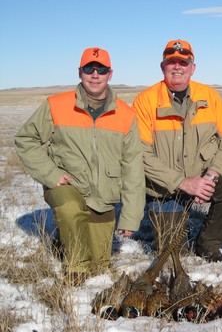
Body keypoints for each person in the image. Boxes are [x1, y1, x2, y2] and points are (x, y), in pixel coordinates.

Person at [15, 47, 145, 285]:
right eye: (89, 69)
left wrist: (130, 216)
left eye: (101, 69)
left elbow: (133, 167)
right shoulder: (56, 105)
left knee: (99, 265)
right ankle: (75, 269)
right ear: (80, 72)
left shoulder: (126, 115)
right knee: (72, 210)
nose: (95, 74)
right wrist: (51, 173)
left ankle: (61, 240)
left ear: (110, 74)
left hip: (103, 195)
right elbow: (26, 140)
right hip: (67, 184)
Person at [132, 39, 222, 263]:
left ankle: (208, 244)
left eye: (183, 62)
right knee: (171, 253)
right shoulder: (145, 101)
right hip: (165, 186)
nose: (177, 67)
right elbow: (140, 154)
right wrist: (183, 183)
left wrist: (210, 176)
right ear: (162, 66)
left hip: (203, 176)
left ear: (192, 67)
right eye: (171, 61)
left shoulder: (209, 96)